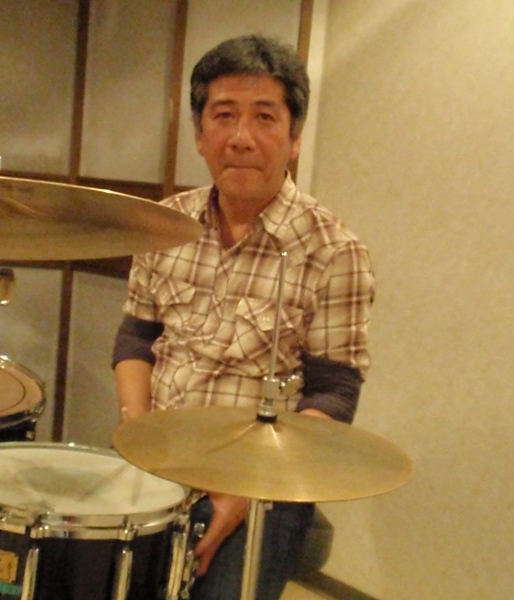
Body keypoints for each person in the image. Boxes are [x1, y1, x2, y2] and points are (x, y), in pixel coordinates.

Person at [112, 34, 374, 600]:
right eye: (224, 115)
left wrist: (246, 490)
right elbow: (135, 339)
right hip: (157, 459)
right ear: (199, 133)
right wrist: (136, 434)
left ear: (295, 137)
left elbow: (333, 393)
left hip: (265, 489)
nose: (241, 137)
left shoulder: (333, 251)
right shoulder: (164, 225)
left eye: (265, 117)